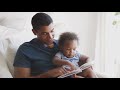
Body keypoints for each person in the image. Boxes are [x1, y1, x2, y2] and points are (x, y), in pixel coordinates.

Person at [13, 12, 96, 78]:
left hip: (69, 75)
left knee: (89, 71)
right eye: (45, 33)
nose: (50, 37)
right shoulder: (25, 50)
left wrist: (87, 64)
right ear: (34, 32)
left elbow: (77, 57)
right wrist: (47, 75)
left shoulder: (62, 44)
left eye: (52, 31)